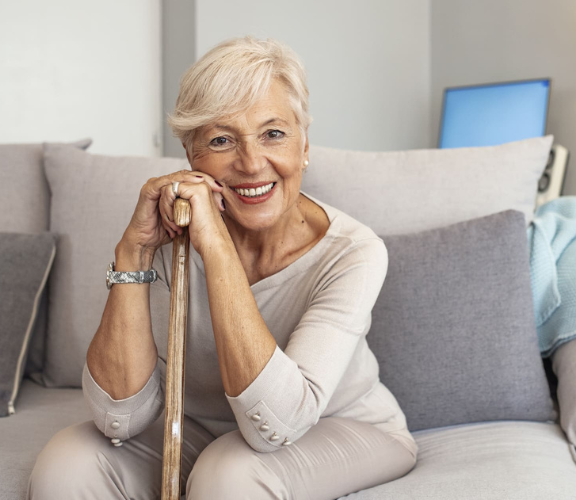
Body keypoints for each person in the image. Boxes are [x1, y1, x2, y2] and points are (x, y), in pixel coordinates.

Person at [28, 36, 417, 499]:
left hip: (338, 427)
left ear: (304, 145)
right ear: (192, 157)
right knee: (67, 463)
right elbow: (119, 418)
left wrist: (215, 247)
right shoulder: (168, 236)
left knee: (228, 474)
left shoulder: (353, 252)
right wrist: (135, 251)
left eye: (273, 134)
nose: (251, 163)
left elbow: (277, 424)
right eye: (221, 140)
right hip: (200, 430)